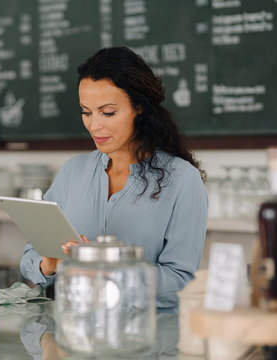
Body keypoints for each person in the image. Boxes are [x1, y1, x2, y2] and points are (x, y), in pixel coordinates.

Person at [19, 46, 208, 313]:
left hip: (146, 342)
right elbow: (30, 255)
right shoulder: (73, 172)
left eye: (107, 113)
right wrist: (48, 265)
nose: (95, 125)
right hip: (77, 337)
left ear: (139, 107)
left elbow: (181, 281)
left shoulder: (182, 180)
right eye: (86, 112)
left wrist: (108, 271)